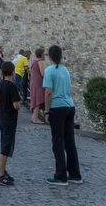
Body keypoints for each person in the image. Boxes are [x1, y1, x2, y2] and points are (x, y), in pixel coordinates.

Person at [43, 45, 82, 186]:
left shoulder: (49, 71)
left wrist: (46, 111)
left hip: (58, 108)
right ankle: (75, 174)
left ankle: (60, 176)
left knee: (58, 142)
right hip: (70, 106)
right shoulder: (66, 70)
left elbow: (48, 92)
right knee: (70, 141)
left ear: (50, 56)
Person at [0, 61, 21, 186]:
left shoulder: (0, 85)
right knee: (6, 146)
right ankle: (0, 174)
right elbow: (16, 105)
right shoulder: (13, 86)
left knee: (3, 142)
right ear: (13, 72)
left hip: (1, 118)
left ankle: (3, 170)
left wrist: (4, 103)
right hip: (10, 119)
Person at [30, 48, 46, 124]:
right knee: (38, 100)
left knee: (36, 98)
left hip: (33, 82)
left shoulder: (34, 61)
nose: (45, 55)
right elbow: (43, 73)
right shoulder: (40, 62)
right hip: (38, 82)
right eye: (44, 54)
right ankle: (35, 118)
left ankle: (34, 116)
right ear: (41, 54)